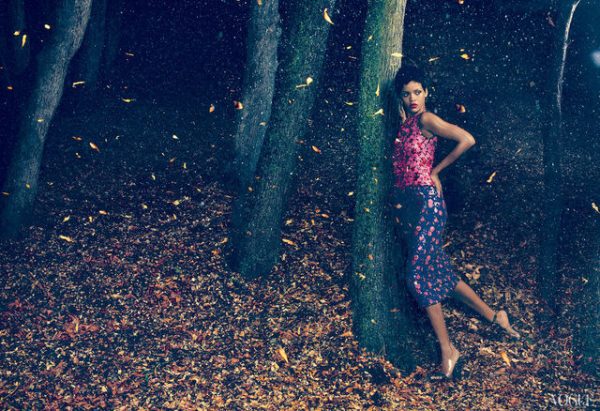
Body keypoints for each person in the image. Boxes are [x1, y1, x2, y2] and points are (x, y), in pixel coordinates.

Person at [389, 65, 520, 380]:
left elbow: (467, 139)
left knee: (417, 276)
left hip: (427, 204)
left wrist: (435, 171)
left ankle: (448, 350)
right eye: (406, 94)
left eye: (417, 92)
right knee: (439, 272)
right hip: (409, 207)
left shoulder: (427, 120)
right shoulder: (405, 123)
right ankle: (495, 316)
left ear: (426, 93)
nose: (412, 98)